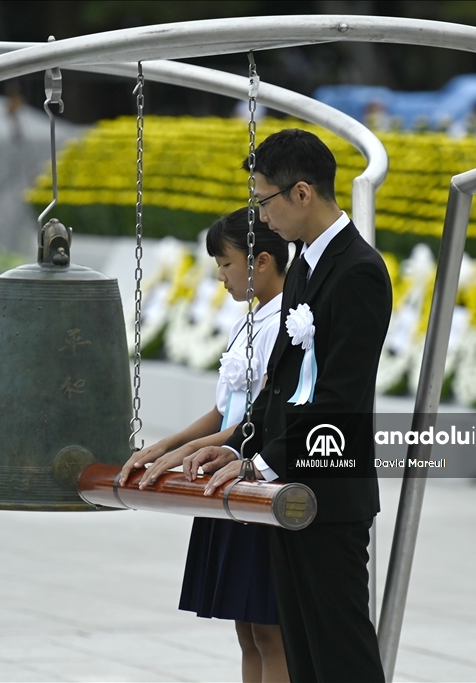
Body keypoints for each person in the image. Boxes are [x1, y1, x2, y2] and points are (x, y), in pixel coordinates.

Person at [186, 129, 393, 682]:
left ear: (302, 193)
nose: (261, 216)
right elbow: (278, 385)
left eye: (263, 199)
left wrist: (260, 464)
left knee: (340, 654)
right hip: (286, 491)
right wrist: (234, 448)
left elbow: (339, 399)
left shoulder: (358, 272)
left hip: (328, 491)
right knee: (302, 655)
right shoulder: (303, 266)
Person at [119, 208, 291, 683]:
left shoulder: (289, 324)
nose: (220, 277)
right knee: (247, 630)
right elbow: (225, 410)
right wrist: (166, 446)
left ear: (260, 262)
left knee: (271, 631)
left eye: (225, 263)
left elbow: (257, 420)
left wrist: (183, 452)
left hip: (257, 474)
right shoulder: (252, 320)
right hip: (227, 473)